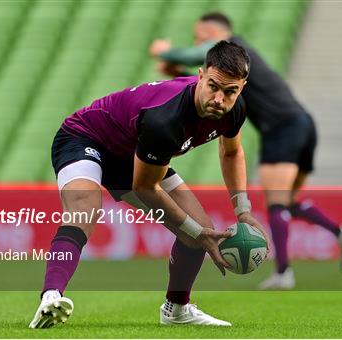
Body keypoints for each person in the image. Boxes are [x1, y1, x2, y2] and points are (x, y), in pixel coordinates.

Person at [29, 41, 270, 329]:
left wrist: (242, 210)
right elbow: (146, 188)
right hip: (85, 138)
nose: (220, 98)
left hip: (135, 152)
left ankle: (177, 309)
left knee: (199, 225)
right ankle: (51, 297)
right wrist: (197, 233)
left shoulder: (235, 109)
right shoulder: (165, 119)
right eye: (214, 86)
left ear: (242, 87)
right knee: (84, 210)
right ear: (201, 75)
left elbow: (231, 152)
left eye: (230, 91)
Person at [149, 12, 342, 290]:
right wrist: (176, 73)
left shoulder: (233, 49)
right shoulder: (231, 72)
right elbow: (209, 88)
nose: (198, 42)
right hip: (301, 124)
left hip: (281, 128)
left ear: (213, 32)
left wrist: (167, 52)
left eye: (200, 36)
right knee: (290, 202)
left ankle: (284, 273)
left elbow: (196, 59)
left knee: (276, 203)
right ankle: (341, 232)